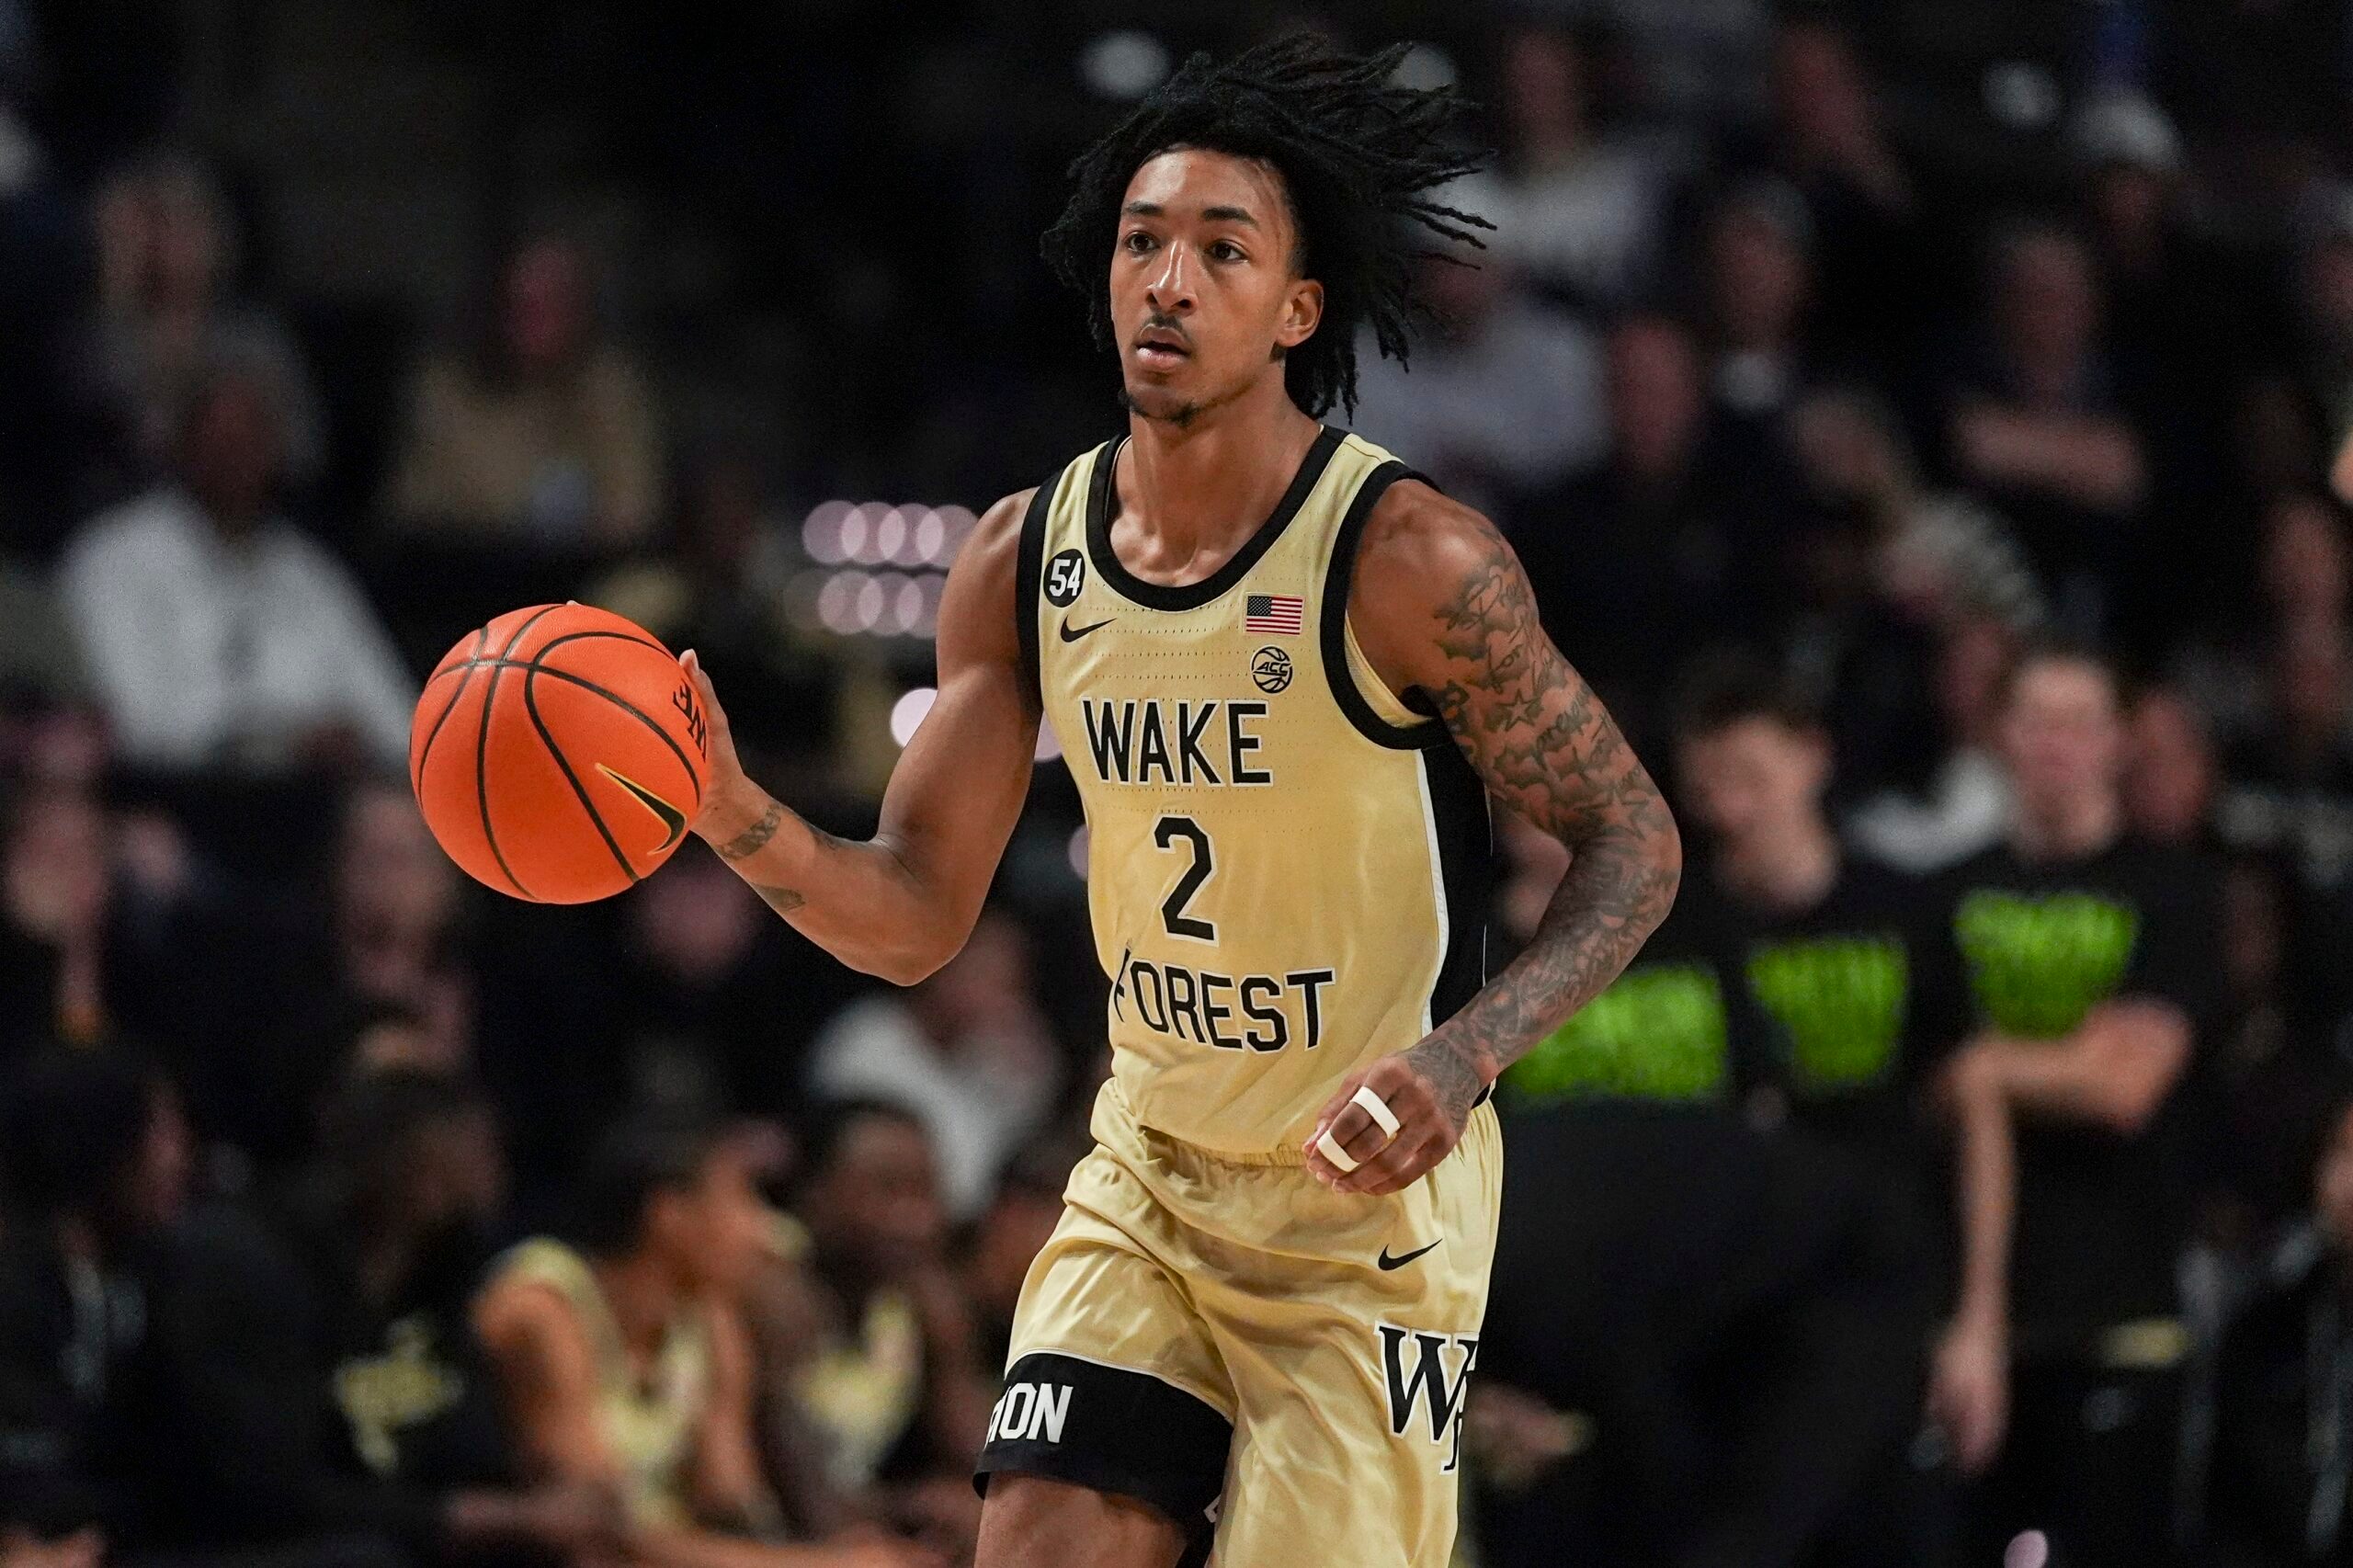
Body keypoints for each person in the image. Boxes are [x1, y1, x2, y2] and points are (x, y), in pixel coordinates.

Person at [677, 37, 1680, 1568]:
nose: (1168, 280)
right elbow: (912, 917)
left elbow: (1636, 842)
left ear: (1297, 310)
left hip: (1363, 1211)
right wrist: (729, 804)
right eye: (1144, 241)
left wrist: (1467, 1056)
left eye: (1223, 250)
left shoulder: (1410, 558)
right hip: (1151, 1164)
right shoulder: (1027, 557)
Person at [1936, 641, 2226, 1567]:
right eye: (2036, 721)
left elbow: (2125, 1086)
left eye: (2079, 722)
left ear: (2115, 743)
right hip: (1972, 1324)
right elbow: (1933, 1083)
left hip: (2124, 1305)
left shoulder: (2173, 889)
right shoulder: (1943, 896)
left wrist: (1990, 1068)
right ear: (1998, 737)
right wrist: (2056, 1061)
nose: (2056, 744)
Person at [131, 1068, 614, 1564]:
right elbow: (268, 1492)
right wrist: (483, 1517)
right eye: (459, 1146)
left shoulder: (445, 1272)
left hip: (398, 1533)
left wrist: (541, 1501)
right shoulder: (249, 1267)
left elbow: (472, 1446)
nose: (485, 1166)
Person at [472, 1114, 935, 1568]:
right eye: (741, 1200)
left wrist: (844, 1547)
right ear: (669, 1214)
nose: (761, 1229)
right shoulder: (543, 1310)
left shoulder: (708, 1316)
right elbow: (599, 1533)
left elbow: (730, 1501)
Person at [56, 357, 416, 773]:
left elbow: (398, 719)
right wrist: (281, 740)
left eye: (251, 441)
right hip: (175, 802)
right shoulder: (112, 557)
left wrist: (350, 739)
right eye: (219, 440)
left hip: (315, 805)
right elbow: (131, 722)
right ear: (180, 445)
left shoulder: (309, 573)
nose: (235, 458)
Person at [0, 1048, 188, 1541]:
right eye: (161, 1129)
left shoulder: (140, 1274)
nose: (180, 1153)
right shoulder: (19, 1287)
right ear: (104, 1140)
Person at [384, 234, 664, 547]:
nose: (535, 319)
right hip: (469, 574)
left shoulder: (612, 391)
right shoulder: (445, 392)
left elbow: (632, 517)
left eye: (553, 302)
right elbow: (417, 516)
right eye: (521, 304)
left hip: (585, 579)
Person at [808, 910, 1060, 1221]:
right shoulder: (867, 1040)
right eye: (984, 976)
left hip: (965, 1235)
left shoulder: (1006, 1058)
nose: (998, 998)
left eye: (1010, 984)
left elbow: (1014, 1164)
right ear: (940, 966)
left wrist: (1036, 1078)